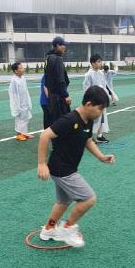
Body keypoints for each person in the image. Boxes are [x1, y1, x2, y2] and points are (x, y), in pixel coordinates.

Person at [37, 86, 115, 248]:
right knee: (88, 198)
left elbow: (87, 140)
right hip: (62, 169)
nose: (101, 112)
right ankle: (68, 228)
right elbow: (45, 135)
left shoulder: (88, 120)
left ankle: (49, 229)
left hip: (67, 167)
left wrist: (101, 156)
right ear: (88, 104)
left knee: (63, 202)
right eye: (100, 108)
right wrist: (41, 163)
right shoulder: (70, 120)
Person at [44, 36, 71, 128]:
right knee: (64, 122)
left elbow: (47, 78)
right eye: (63, 45)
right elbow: (60, 79)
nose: (65, 47)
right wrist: (66, 95)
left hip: (52, 96)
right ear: (58, 46)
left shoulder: (48, 58)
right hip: (59, 97)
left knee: (54, 122)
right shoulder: (57, 59)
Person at [83, 54, 110, 144]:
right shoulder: (89, 75)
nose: (100, 63)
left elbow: (104, 85)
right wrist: (89, 100)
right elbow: (86, 88)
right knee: (91, 119)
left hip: (101, 99)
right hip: (93, 100)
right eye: (98, 61)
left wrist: (107, 95)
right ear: (92, 63)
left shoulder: (101, 73)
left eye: (100, 61)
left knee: (101, 117)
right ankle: (89, 137)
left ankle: (99, 135)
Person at [9, 62, 33, 141]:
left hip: (25, 101)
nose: (23, 69)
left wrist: (28, 101)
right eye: (20, 68)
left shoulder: (23, 78)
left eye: (22, 67)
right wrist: (17, 105)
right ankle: (19, 134)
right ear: (16, 71)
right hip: (19, 103)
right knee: (20, 118)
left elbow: (26, 91)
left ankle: (24, 133)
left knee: (25, 118)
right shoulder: (14, 81)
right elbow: (14, 94)